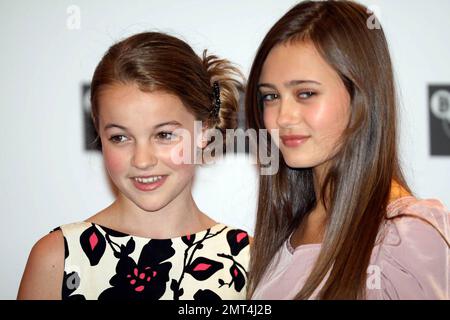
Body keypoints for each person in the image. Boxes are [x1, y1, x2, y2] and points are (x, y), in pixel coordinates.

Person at [18, 32, 250, 300]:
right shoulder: (57, 259)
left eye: (164, 135)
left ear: (204, 131)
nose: (142, 160)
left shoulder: (246, 261)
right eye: (120, 137)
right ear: (99, 133)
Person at [245, 0, 449, 300]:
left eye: (306, 93)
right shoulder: (285, 231)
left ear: (360, 97)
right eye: (271, 96)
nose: (283, 116)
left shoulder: (406, 235)